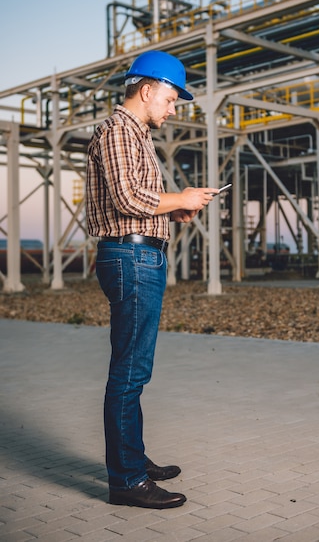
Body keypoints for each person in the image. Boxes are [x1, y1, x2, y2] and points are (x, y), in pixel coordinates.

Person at [85, 50, 218, 509]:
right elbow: (127, 198)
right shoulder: (118, 130)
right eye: (172, 98)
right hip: (131, 257)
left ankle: (133, 460)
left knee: (133, 369)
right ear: (147, 90)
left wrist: (173, 210)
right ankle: (126, 480)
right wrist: (177, 196)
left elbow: (139, 200)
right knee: (130, 372)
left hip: (138, 254)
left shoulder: (134, 134)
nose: (175, 107)